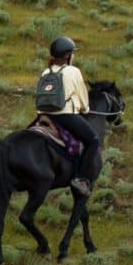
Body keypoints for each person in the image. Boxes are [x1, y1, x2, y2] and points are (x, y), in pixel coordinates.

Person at [37, 36, 104, 190]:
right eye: (72, 53)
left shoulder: (45, 72)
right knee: (93, 140)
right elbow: (82, 97)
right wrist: (85, 109)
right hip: (65, 116)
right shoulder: (73, 71)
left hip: (44, 116)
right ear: (68, 55)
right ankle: (80, 178)